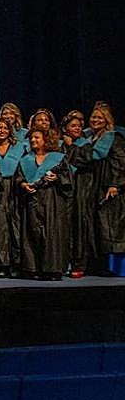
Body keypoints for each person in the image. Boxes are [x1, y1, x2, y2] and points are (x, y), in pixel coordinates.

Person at [70, 104, 124, 276]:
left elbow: (120, 162)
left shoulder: (113, 138)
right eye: (93, 117)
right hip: (86, 185)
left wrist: (115, 184)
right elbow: (78, 159)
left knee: (103, 225)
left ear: (107, 120)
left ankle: (104, 266)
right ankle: (88, 264)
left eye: (100, 117)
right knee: (87, 224)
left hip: (104, 185)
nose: (95, 120)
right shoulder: (86, 137)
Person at [16, 126, 72, 280]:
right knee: (32, 233)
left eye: (37, 138)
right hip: (32, 201)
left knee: (52, 234)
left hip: (52, 200)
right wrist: (23, 185)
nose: (33, 140)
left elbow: (68, 181)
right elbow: (19, 178)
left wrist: (58, 179)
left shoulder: (58, 158)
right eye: (31, 138)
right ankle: (33, 268)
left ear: (46, 140)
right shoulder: (25, 160)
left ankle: (52, 270)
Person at [0, 116, 25, 277]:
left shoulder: (19, 148)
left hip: (15, 189)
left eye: (5, 128)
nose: (2, 131)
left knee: (15, 226)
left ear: (10, 131)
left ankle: (16, 263)